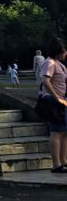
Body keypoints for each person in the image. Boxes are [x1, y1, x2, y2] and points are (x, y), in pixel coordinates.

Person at [40, 40, 67, 173]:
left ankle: (64, 161)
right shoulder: (49, 63)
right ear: (58, 52)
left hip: (62, 101)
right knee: (56, 132)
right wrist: (57, 98)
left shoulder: (58, 64)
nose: (66, 53)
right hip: (53, 101)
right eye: (63, 51)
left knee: (64, 132)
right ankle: (56, 164)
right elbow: (45, 81)